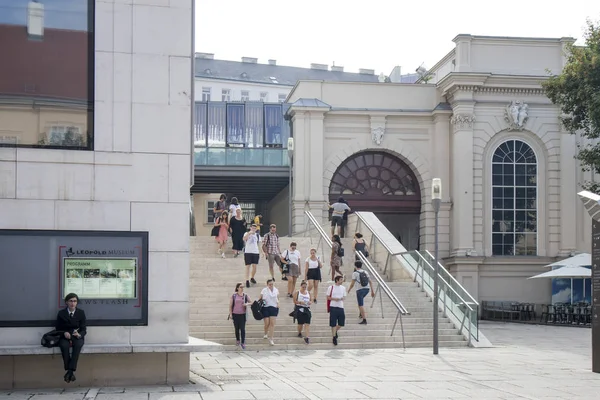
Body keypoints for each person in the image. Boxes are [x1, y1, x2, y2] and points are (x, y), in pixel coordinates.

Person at [56, 293, 87, 383]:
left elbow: (84, 329)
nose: (73, 303)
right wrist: (64, 333)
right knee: (64, 346)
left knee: (77, 346)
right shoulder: (61, 313)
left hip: (77, 336)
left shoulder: (81, 313)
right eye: (71, 301)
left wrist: (79, 334)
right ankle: (70, 371)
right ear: (66, 302)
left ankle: (70, 371)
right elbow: (57, 329)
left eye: (75, 301)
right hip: (65, 336)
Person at [228, 283, 252, 349]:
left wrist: (246, 304)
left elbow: (252, 302)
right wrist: (230, 314)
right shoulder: (234, 295)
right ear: (237, 288)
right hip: (235, 314)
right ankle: (238, 340)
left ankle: (243, 342)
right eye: (241, 287)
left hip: (242, 315)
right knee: (236, 329)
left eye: (243, 287)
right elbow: (230, 306)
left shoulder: (245, 295)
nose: (242, 288)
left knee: (242, 329)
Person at [259, 279, 279, 346]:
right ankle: (265, 333)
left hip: (273, 307)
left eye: (272, 284)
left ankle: (271, 339)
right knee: (267, 323)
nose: (271, 285)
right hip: (265, 307)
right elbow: (260, 298)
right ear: (267, 284)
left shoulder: (276, 290)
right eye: (269, 284)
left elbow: (277, 298)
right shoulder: (264, 290)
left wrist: (278, 304)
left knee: (272, 323)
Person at [327, 275, 346, 346]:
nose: (342, 281)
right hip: (333, 306)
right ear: (337, 280)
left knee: (341, 323)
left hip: (341, 306)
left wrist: (342, 298)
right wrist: (335, 299)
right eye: (341, 280)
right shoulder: (331, 287)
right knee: (333, 322)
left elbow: (344, 296)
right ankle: (334, 337)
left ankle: (335, 331)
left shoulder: (343, 288)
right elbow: (327, 297)